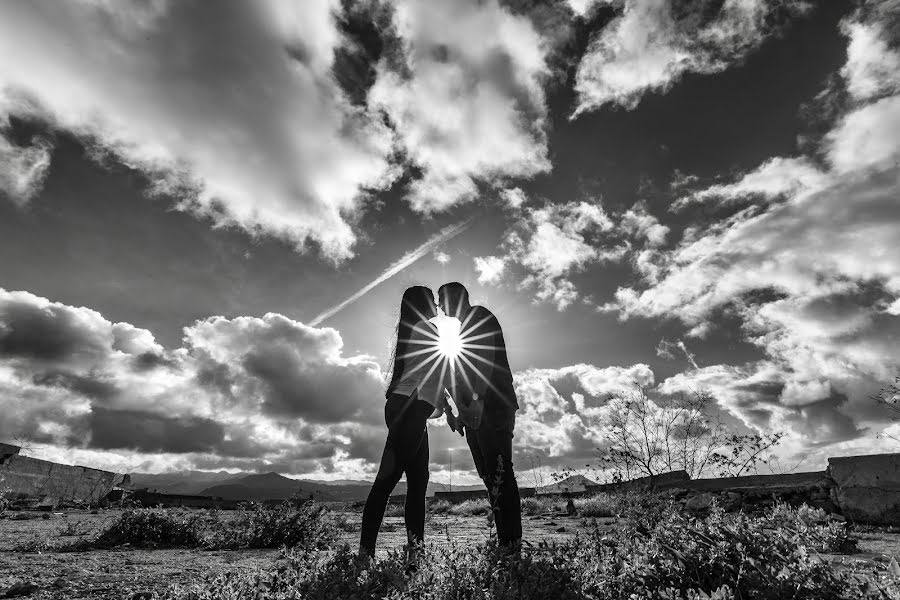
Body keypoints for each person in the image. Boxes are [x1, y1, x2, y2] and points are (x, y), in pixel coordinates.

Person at [359, 285, 455, 560]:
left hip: (405, 409)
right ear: (423, 305)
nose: (437, 307)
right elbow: (441, 372)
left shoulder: (408, 332)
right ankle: (366, 555)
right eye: (432, 302)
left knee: (418, 482)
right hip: (410, 411)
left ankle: (414, 554)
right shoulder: (427, 329)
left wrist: (446, 408)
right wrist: (451, 410)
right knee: (387, 483)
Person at [438, 282, 522, 550]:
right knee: (489, 475)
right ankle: (506, 539)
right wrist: (457, 410)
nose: (439, 305)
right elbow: (456, 371)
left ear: (455, 298)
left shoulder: (480, 317)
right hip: (476, 412)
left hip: (493, 407)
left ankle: (512, 540)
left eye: (441, 299)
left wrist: (476, 402)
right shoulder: (461, 330)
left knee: (499, 472)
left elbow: (484, 362)